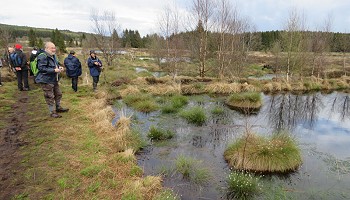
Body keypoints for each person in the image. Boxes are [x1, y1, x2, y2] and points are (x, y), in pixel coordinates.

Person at [35, 42, 69, 118]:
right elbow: (41, 68)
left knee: (58, 94)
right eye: (52, 48)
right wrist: (54, 70)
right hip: (46, 80)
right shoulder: (42, 56)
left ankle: (58, 107)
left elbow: (56, 65)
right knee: (49, 96)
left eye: (54, 48)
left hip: (54, 79)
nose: (54, 49)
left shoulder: (53, 56)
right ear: (46, 48)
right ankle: (52, 112)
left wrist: (59, 67)